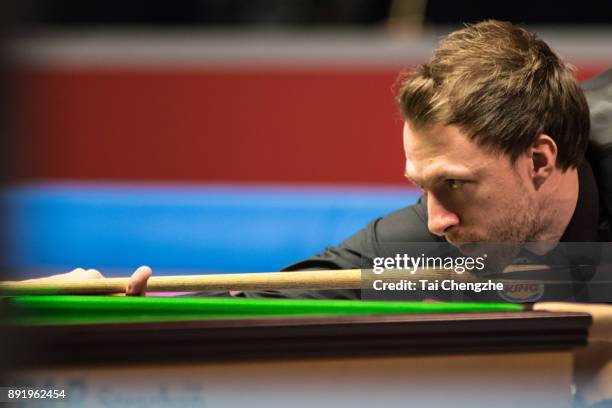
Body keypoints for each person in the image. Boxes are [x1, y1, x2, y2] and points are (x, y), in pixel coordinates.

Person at [28, 20, 612, 300]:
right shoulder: (431, 241)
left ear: (539, 161)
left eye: (457, 186)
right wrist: (119, 304)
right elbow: (262, 302)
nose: (437, 219)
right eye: (424, 186)